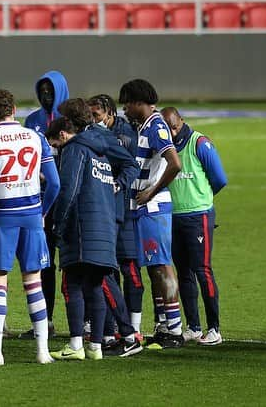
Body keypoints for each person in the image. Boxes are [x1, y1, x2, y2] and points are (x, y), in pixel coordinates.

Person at [0, 89, 60, 365]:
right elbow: (54, 184)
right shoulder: (36, 136)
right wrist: (42, 212)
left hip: (1, 216)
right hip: (31, 215)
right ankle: (42, 352)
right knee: (33, 283)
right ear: (15, 109)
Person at [46, 114, 143, 360]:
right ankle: (96, 347)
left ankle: (76, 345)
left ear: (62, 135)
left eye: (55, 145)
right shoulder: (101, 153)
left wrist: (58, 223)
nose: (56, 151)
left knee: (72, 285)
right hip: (106, 227)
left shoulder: (73, 150)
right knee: (95, 286)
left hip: (81, 228)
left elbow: (69, 189)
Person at [121, 79, 184, 348]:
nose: (124, 108)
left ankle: (175, 330)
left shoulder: (157, 127)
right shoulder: (144, 127)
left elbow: (175, 164)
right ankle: (162, 326)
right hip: (142, 208)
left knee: (162, 266)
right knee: (153, 267)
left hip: (153, 207)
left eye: (127, 103)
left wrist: (152, 191)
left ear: (138, 102)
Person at [162, 107, 227, 346]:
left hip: (198, 216)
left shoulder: (199, 143)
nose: (171, 132)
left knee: (203, 270)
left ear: (182, 121)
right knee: (184, 273)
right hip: (174, 216)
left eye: (174, 126)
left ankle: (214, 329)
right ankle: (193, 327)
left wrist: (201, 199)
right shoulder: (165, 148)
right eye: (167, 128)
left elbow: (219, 178)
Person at [88, 94, 145, 335]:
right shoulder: (93, 134)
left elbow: (132, 166)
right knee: (107, 270)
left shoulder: (126, 135)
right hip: (104, 212)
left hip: (124, 210)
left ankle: (135, 327)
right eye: (90, 115)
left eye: (97, 115)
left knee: (129, 268)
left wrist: (118, 184)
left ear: (110, 113)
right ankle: (111, 328)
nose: (93, 119)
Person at [23, 70, 70, 337]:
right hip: (41, 203)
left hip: (68, 203)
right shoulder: (32, 121)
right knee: (44, 263)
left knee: (73, 264)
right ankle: (45, 321)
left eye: (51, 91)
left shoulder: (72, 120)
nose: (46, 95)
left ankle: (83, 323)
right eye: (42, 91)